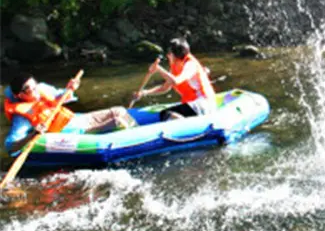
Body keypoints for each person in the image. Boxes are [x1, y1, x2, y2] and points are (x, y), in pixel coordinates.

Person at [4, 73, 136, 156]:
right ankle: (135, 145)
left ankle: (137, 131)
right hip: (74, 132)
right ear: (20, 95)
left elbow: (63, 96)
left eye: (35, 86)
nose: (36, 91)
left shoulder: (42, 88)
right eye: (30, 90)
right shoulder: (21, 117)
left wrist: (70, 88)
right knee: (118, 121)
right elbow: (10, 146)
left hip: (78, 119)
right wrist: (33, 134)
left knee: (120, 111)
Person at [132, 38, 216, 121]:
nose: (167, 55)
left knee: (166, 114)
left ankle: (188, 126)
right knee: (164, 114)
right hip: (193, 105)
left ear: (173, 55)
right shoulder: (175, 66)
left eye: (169, 53)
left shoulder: (191, 64)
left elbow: (176, 81)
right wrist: (144, 92)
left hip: (203, 105)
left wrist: (159, 69)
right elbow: (165, 88)